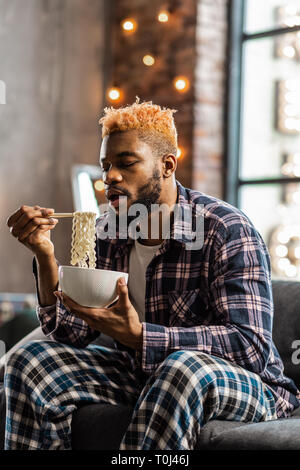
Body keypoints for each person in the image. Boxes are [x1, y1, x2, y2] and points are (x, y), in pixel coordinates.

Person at [4, 99, 300, 450]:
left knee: (182, 368)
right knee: (30, 362)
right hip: (143, 374)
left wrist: (141, 337)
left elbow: (250, 347)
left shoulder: (225, 229)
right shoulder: (108, 228)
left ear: (167, 165)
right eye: (106, 166)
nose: (110, 176)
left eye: (126, 163)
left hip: (246, 386)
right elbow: (71, 332)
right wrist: (45, 254)